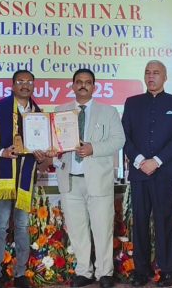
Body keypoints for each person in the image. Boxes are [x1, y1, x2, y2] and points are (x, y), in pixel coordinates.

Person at [53, 69, 125, 288]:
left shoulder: (108, 112)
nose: (83, 85)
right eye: (79, 82)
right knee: (77, 229)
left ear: (94, 86)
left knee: (102, 228)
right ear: (73, 86)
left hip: (98, 179)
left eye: (87, 82)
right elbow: (54, 142)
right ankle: (84, 271)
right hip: (70, 179)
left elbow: (119, 140)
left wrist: (94, 148)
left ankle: (105, 273)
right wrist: (52, 151)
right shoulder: (60, 111)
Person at [121, 61, 172, 288]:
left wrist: (156, 161)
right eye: (147, 72)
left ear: (165, 77)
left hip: (164, 172)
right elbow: (124, 137)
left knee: (164, 220)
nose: (151, 76)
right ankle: (141, 270)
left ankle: (167, 270)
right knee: (139, 221)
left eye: (156, 73)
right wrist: (140, 161)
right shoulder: (132, 103)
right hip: (139, 172)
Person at [0, 70, 48, 288]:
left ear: (34, 86)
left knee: (22, 225)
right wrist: (1, 151)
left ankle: (20, 273)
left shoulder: (39, 114)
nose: (25, 85)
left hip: (25, 175)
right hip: (3, 175)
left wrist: (42, 155)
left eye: (29, 82)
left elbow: (43, 147)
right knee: (0, 224)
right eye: (20, 81)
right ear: (12, 85)